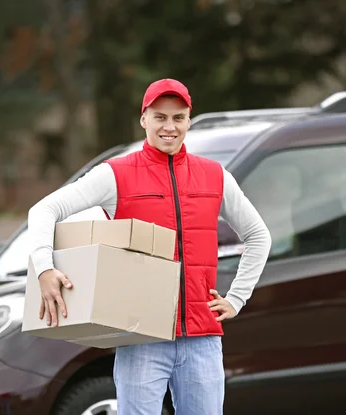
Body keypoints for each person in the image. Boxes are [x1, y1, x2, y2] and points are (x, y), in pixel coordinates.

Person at [27, 78, 272, 415]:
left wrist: (237, 298)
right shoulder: (115, 175)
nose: (169, 127)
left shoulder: (215, 176)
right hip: (140, 339)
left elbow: (259, 237)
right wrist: (44, 268)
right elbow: (44, 210)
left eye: (178, 118)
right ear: (144, 119)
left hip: (201, 339)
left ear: (188, 119)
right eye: (160, 117)